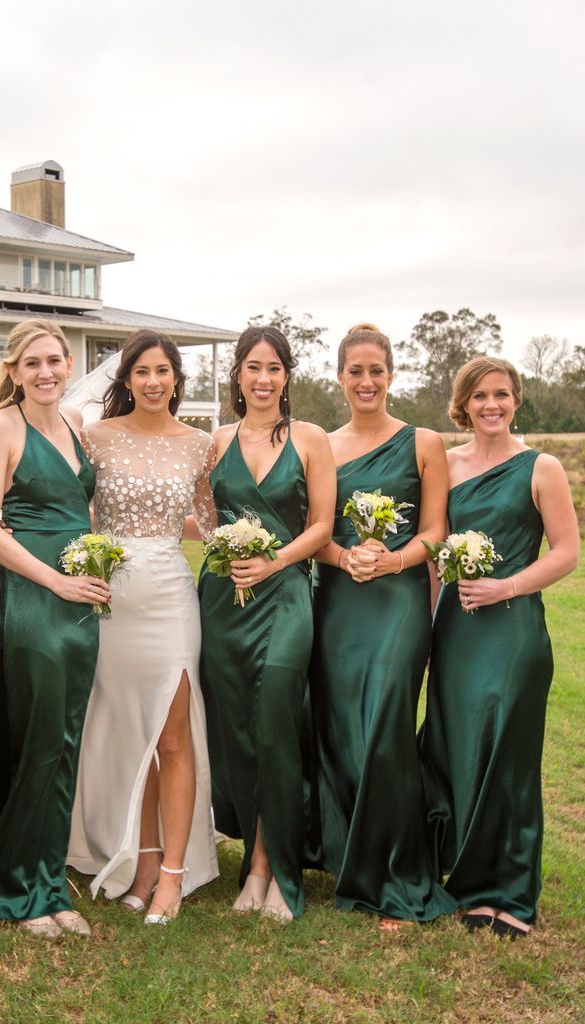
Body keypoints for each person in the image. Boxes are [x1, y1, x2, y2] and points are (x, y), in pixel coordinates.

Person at [419, 357, 578, 939]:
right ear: (463, 403)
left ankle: (513, 894)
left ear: (516, 401)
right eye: (481, 394)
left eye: (503, 394)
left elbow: (565, 552)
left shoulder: (542, 467)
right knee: (459, 752)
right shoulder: (446, 463)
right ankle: (471, 887)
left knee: (507, 759)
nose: (492, 404)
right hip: (457, 633)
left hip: (514, 633)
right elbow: (436, 556)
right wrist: (429, 631)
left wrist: (506, 584)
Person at [66, 329, 219, 925]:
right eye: (142, 372)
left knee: (173, 736)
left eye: (163, 371)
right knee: (133, 733)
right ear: (125, 380)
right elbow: (72, 503)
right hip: (109, 597)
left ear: (176, 379)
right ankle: (145, 862)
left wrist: (253, 553)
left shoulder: (199, 445)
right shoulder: (95, 437)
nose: (153, 382)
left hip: (169, 596)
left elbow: (210, 524)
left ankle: (174, 876)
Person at [310, 323, 456, 929]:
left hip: (397, 600)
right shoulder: (321, 445)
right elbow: (311, 533)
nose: (366, 381)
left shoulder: (425, 442)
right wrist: (346, 555)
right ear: (340, 377)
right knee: (342, 725)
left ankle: (398, 870)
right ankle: (349, 856)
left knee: (386, 724)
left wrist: (394, 557)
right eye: (355, 371)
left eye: (376, 370)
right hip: (339, 601)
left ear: (391, 375)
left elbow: (437, 530)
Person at [0, 319, 107, 939]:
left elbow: (86, 508)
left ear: (69, 364)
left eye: (54, 360)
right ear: (14, 371)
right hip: (34, 597)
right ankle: (17, 888)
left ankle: (50, 881)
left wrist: (96, 566)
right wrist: (55, 581)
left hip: (84, 597)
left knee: (66, 737)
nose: (45, 372)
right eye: (32, 363)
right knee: (39, 740)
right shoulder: (1, 426)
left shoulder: (76, 425)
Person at [198, 326, 335, 923]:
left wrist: (274, 558)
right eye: (253, 367)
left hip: (285, 594)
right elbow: (201, 519)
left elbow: (323, 526)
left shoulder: (311, 439)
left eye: (274, 368)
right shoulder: (215, 440)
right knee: (239, 732)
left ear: (287, 376)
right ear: (237, 375)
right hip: (224, 600)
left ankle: (275, 869)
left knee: (277, 719)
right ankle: (252, 862)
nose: (263, 378)